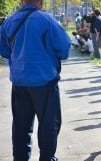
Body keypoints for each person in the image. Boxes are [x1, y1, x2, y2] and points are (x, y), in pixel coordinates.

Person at [0, 0, 71, 160]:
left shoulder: (9, 21)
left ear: (22, 1)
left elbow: (4, 50)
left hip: (19, 82)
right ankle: (47, 158)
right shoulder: (47, 20)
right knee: (48, 125)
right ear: (41, 2)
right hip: (44, 81)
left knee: (21, 127)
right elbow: (64, 49)